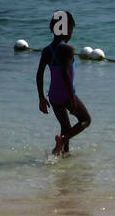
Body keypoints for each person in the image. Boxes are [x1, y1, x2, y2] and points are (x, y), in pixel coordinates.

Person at [35, 11, 92, 156]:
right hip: (67, 94)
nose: (71, 33)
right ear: (66, 30)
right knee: (85, 120)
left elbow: (39, 74)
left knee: (65, 126)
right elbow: (66, 73)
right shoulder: (68, 50)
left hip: (53, 96)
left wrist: (41, 98)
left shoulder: (46, 51)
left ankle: (64, 155)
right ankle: (62, 140)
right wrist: (72, 97)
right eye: (71, 29)